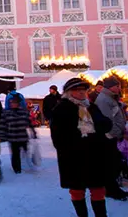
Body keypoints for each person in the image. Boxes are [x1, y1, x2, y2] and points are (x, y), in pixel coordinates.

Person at [51, 78, 111, 217]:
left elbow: (105, 125)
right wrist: (68, 149)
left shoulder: (91, 107)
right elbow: (57, 136)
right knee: (77, 190)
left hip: (95, 155)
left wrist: (102, 124)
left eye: (83, 89)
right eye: (77, 90)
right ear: (68, 92)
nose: (81, 92)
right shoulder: (61, 109)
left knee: (98, 188)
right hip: (73, 157)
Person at [94, 76, 128, 200]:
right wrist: (116, 133)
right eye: (117, 86)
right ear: (110, 87)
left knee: (114, 163)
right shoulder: (104, 99)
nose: (119, 88)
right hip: (109, 136)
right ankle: (111, 189)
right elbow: (107, 121)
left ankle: (112, 188)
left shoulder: (110, 98)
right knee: (112, 164)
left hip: (112, 135)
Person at [0, 96, 36, 173]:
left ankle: (27, 166)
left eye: (14, 102)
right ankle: (17, 169)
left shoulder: (24, 112)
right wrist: (2, 136)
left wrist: (33, 132)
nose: (13, 104)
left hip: (23, 136)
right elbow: (3, 125)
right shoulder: (6, 113)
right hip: (13, 137)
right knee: (15, 154)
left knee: (26, 152)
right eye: (11, 102)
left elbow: (29, 123)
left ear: (18, 103)